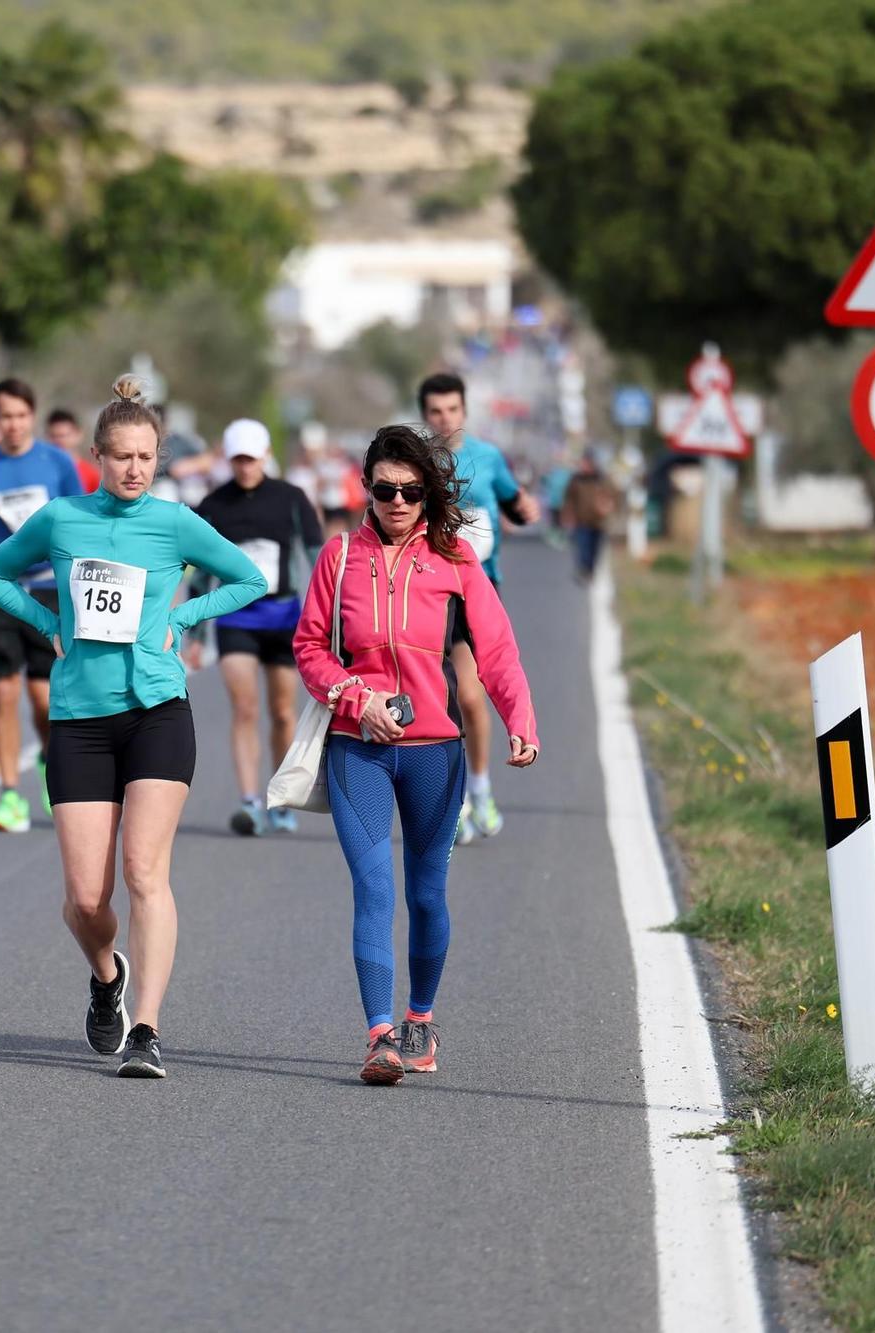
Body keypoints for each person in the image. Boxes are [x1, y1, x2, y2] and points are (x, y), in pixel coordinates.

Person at [0, 375, 265, 1078]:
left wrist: (181, 618)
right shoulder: (62, 517)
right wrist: (51, 624)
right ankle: (108, 975)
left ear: (158, 456)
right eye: (120, 457)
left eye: (145, 457)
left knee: (144, 870)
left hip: (157, 711)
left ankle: (147, 1028)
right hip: (79, 717)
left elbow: (248, 576)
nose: (133, 469)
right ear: (99, 458)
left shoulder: (174, 523)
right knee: (84, 899)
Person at [293, 424, 539, 1085]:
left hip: (437, 751)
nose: (397, 501)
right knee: (373, 887)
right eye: (384, 489)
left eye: (410, 490)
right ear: (366, 490)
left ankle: (419, 1018)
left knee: (427, 896)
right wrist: (352, 696)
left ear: (428, 491)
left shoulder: (456, 560)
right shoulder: (340, 556)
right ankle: (380, 1037)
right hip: (360, 749)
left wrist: (520, 719)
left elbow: (497, 649)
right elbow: (310, 645)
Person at [0, 379, 86, 833]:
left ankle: (51, 771)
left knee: (42, 699)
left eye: (20, 415)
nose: (13, 424)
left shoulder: (57, 463)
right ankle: (10, 794)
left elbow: (77, 525)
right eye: (5, 416)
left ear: (32, 417)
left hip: (50, 591)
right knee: (4, 693)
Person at [418, 372, 539, 846]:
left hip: (480, 590)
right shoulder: (419, 463)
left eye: (451, 409)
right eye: (435, 411)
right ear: (425, 415)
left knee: (469, 694)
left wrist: (524, 510)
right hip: (428, 594)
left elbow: (513, 503)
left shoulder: (489, 458)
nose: (444, 418)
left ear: (464, 410)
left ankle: (480, 790)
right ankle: (449, 801)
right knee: (433, 699)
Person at [191, 418, 323, 837]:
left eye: (251, 458)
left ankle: (280, 799)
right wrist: (194, 631)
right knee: (244, 708)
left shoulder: (291, 498)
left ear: (266, 456)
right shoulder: (214, 504)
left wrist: (328, 616)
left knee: (283, 712)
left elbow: (317, 555)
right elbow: (198, 570)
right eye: (238, 460)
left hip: (283, 617)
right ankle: (249, 801)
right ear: (229, 460)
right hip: (236, 619)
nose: (245, 467)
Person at [562, 452, 621, 583]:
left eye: (587, 464)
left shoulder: (601, 479)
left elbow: (614, 494)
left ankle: (590, 569)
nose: (585, 467)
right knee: (583, 546)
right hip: (581, 520)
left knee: (595, 548)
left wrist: (609, 505)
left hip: (599, 521)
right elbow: (569, 498)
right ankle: (584, 569)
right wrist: (568, 514)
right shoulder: (576, 480)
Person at [48, 408, 100, 495]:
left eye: (64, 435)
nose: (59, 441)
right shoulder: (43, 471)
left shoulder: (91, 475)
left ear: (78, 434)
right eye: (54, 436)